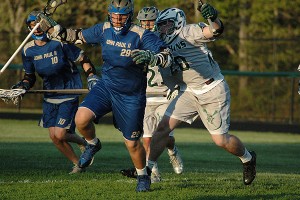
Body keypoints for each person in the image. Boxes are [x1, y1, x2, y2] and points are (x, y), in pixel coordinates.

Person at [36, 0, 173, 192]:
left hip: (131, 95)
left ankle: (143, 176)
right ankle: (92, 145)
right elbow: (75, 36)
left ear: (130, 15)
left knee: (132, 143)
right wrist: (53, 28)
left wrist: (154, 57)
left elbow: (165, 54)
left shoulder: (142, 35)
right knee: (81, 119)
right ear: (109, 14)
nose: (118, 20)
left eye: (122, 16)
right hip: (106, 86)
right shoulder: (103, 29)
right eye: (115, 15)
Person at [143, 5, 257, 186]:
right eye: (161, 25)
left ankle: (248, 158)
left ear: (178, 22)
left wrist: (214, 18)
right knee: (163, 128)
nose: (163, 29)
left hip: (211, 89)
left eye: (167, 24)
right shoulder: (160, 41)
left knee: (221, 140)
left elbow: (215, 31)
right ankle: (146, 171)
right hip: (187, 91)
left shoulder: (190, 32)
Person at [11, 10, 98, 174]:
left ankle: (85, 144)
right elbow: (29, 76)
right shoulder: (27, 51)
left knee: (61, 133)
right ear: (28, 29)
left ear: (46, 26)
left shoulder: (59, 43)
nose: (36, 30)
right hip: (50, 95)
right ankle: (79, 164)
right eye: (32, 26)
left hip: (68, 92)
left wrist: (92, 75)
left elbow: (83, 58)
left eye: (39, 26)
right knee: (54, 137)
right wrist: (23, 86)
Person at [120, 6, 183, 183]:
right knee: (147, 139)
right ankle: (153, 173)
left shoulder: (166, 40)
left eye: (150, 21)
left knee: (164, 137)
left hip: (165, 94)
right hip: (145, 95)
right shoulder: (135, 40)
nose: (147, 24)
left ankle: (173, 150)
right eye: (144, 21)